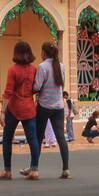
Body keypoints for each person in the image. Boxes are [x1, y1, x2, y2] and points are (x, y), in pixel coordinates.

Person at [0, 40, 41, 180]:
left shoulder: (13, 70)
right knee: (33, 139)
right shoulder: (33, 69)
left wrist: (2, 112)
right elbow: (36, 88)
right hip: (29, 108)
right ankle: (34, 169)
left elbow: (8, 92)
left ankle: (7, 170)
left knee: (7, 139)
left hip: (14, 108)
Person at [32, 40, 70, 179]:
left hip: (44, 106)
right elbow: (62, 84)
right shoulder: (61, 66)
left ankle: (34, 167)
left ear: (44, 52)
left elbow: (37, 86)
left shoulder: (42, 67)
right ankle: (66, 168)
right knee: (61, 138)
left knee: (38, 137)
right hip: (58, 106)